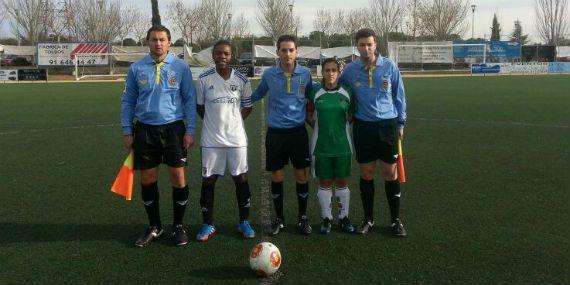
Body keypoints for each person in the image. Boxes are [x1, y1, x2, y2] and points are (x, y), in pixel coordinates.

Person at [121, 25, 196, 247]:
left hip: (174, 129)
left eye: (162, 39)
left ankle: (178, 226)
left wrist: (190, 130)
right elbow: (128, 101)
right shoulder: (136, 69)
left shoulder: (181, 67)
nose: (158, 43)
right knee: (147, 179)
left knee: (178, 177)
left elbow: (189, 99)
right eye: (154, 39)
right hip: (145, 130)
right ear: (148, 42)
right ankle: (155, 226)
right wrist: (127, 130)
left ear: (169, 42)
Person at [339, 28, 408, 237]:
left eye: (369, 44)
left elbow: (399, 95)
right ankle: (368, 218)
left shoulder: (389, 66)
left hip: (387, 126)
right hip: (363, 127)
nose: (366, 48)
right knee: (367, 173)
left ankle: (395, 220)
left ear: (375, 44)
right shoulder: (350, 70)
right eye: (362, 44)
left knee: (390, 173)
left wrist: (401, 123)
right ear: (357, 46)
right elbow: (340, 91)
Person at [251, 35, 314, 235]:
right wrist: (233, 101)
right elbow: (257, 94)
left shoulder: (305, 74)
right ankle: (279, 219)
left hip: (297, 133)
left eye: (291, 50)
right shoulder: (269, 74)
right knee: (277, 176)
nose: (287, 54)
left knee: (300, 175)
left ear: (296, 52)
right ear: (277, 52)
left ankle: (302, 218)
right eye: (283, 50)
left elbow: (313, 95)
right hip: (276, 134)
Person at [194, 40, 255, 241]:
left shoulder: (242, 79)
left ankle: (244, 222)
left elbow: (247, 106)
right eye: (219, 53)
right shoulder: (203, 79)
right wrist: (215, 123)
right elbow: (200, 108)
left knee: (241, 178)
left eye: (226, 54)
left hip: (237, 139)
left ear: (232, 56)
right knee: (209, 180)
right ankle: (207, 224)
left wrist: (234, 122)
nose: (222, 56)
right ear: (213, 56)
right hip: (211, 140)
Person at [306, 58, 355, 234]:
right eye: (327, 70)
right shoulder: (315, 93)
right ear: (322, 72)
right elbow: (308, 113)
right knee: (325, 183)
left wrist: (339, 129)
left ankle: (344, 217)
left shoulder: (347, 93)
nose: (331, 73)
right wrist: (321, 128)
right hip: (321, 147)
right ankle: (326, 218)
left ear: (339, 72)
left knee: (342, 183)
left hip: (343, 146)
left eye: (334, 70)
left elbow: (351, 115)